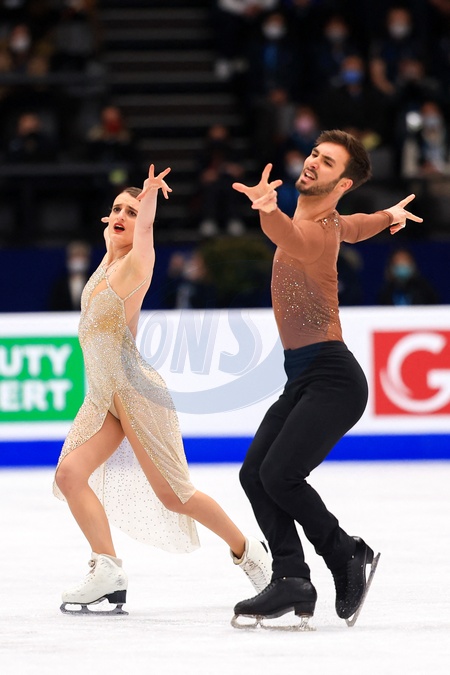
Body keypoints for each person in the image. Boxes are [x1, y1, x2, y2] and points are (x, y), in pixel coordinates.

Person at [53, 164, 271, 614]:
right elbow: (118, 232)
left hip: (135, 393)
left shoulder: (136, 265)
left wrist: (148, 197)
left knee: (175, 495)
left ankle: (250, 551)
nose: (122, 216)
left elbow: (147, 230)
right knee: (70, 475)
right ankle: (107, 569)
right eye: (117, 209)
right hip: (103, 397)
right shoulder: (105, 262)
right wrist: (126, 215)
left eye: (131, 212)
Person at [230, 130, 423, 628]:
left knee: (279, 474)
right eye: (315, 153)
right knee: (255, 473)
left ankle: (345, 553)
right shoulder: (333, 223)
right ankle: (291, 577)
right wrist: (389, 216)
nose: (313, 161)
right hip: (304, 377)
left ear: (342, 184)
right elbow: (358, 226)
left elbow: (290, 238)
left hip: (333, 378)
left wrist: (267, 211)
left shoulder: (314, 232)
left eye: (328, 162)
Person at [48, 240, 93, 311]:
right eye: (75, 255)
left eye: (82, 255)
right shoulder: (60, 284)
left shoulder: (94, 282)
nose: (78, 259)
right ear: (69, 258)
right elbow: (54, 306)